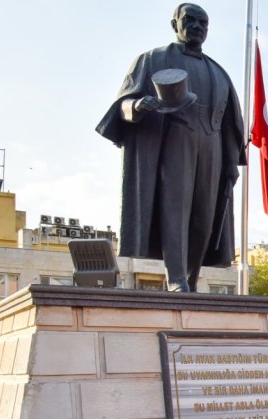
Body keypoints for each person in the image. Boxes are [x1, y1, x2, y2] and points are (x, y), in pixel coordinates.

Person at [97, 3, 245, 292]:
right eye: (189, 20)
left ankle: (189, 279)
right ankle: (176, 278)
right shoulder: (153, 59)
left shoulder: (219, 72)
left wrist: (230, 163)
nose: (197, 27)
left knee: (205, 218)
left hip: (211, 146)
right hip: (174, 144)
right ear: (174, 24)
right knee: (175, 212)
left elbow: (230, 126)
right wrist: (138, 106)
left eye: (203, 23)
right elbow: (123, 105)